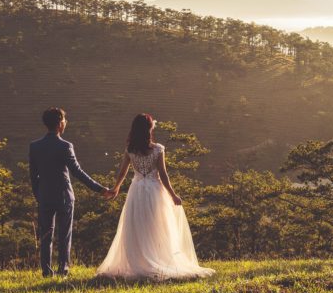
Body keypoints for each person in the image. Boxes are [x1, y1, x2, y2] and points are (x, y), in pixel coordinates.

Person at [96, 113, 215, 280]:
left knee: (137, 225)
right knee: (157, 225)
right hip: (154, 190)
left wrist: (116, 188)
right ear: (149, 129)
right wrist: (173, 195)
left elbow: (122, 171)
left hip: (136, 190)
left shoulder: (130, 150)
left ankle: (140, 261)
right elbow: (163, 174)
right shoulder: (158, 149)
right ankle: (157, 259)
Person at [29, 107, 113, 277]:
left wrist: (39, 196)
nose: (65, 123)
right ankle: (63, 270)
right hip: (64, 196)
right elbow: (77, 172)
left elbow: (33, 176)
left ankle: (46, 271)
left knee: (46, 236)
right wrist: (100, 189)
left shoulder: (35, 146)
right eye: (65, 120)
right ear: (60, 124)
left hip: (44, 196)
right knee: (64, 236)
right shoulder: (65, 146)